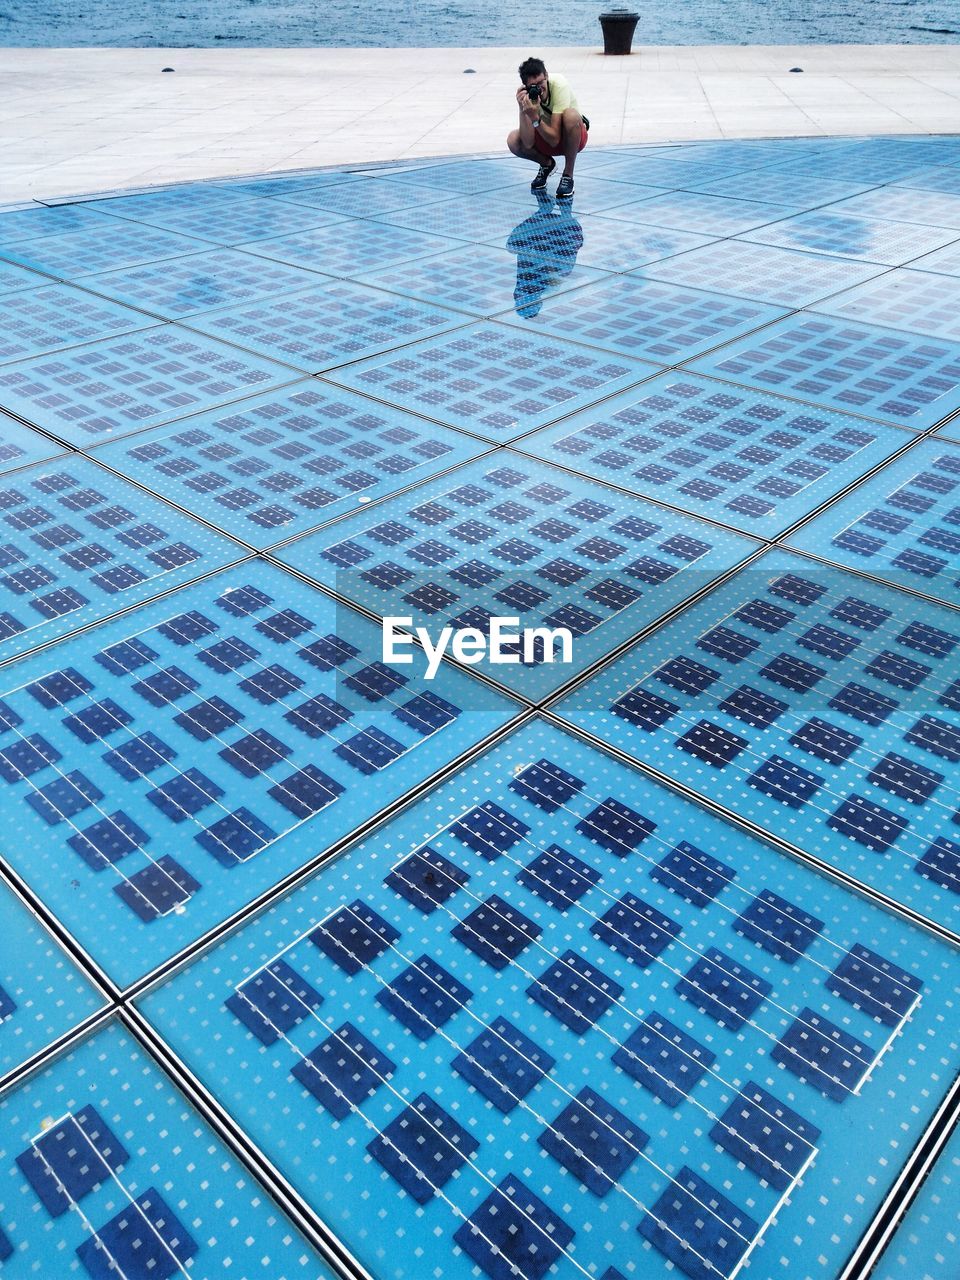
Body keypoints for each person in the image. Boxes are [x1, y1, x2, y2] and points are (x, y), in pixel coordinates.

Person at [507, 57, 588, 200]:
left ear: (547, 76)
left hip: (573, 139)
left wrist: (535, 118)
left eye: (541, 82)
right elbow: (527, 143)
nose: (539, 89)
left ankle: (568, 175)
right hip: (547, 136)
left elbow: (555, 140)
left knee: (570, 115)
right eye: (533, 86)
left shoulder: (559, 85)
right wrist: (523, 109)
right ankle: (546, 164)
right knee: (513, 140)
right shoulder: (528, 97)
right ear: (525, 87)